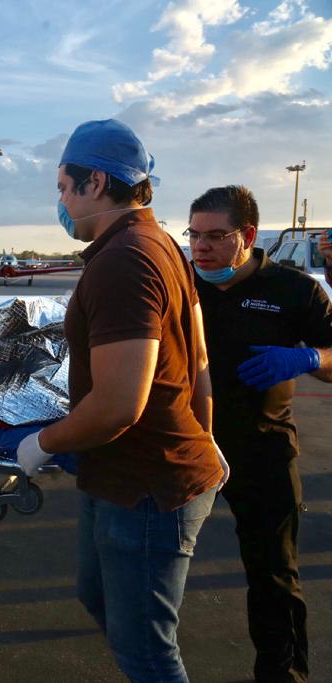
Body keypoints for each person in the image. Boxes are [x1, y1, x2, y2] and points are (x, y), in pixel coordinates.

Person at [16, 119, 227, 683]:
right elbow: (199, 362)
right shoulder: (161, 247)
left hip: (146, 491)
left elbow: (115, 406)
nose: (60, 200)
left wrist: (40, 443)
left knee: (148, 655)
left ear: (96, 183)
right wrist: (205, 438)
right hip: (129, 479)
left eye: (64, 187)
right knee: (99, 599)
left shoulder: (124, 261)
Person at [189, 185, 332, 682]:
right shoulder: (178, 284)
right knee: (149, 571)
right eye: (193, 235)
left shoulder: (295, 290)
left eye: (214, 236)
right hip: (185, 447)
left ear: (248, 235)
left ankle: (283, 675)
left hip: (262, 447)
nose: (200, 247)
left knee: (274, 576)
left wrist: (311, 356)